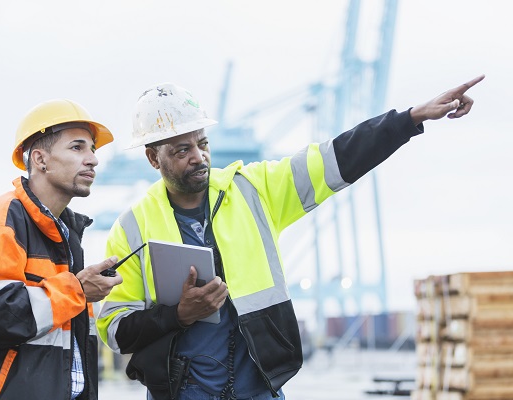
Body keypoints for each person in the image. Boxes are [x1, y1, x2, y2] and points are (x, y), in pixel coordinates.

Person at [97, 75, 484, 400]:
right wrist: (178, 315)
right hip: (184, 392)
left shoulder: (255, 191)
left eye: (202, 143)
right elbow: (114, 328)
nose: (198, 156)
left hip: (260, 386)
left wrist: (410, 119)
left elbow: (335, 158)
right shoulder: (131, 227)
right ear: (153, 159)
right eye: (182, 150)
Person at [0, 99, 124, 400]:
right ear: (40, 159)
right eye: (77, 147)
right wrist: (76, 289)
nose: (93, 159)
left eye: (92, 149)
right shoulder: (0, 218)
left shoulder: (66, 234)